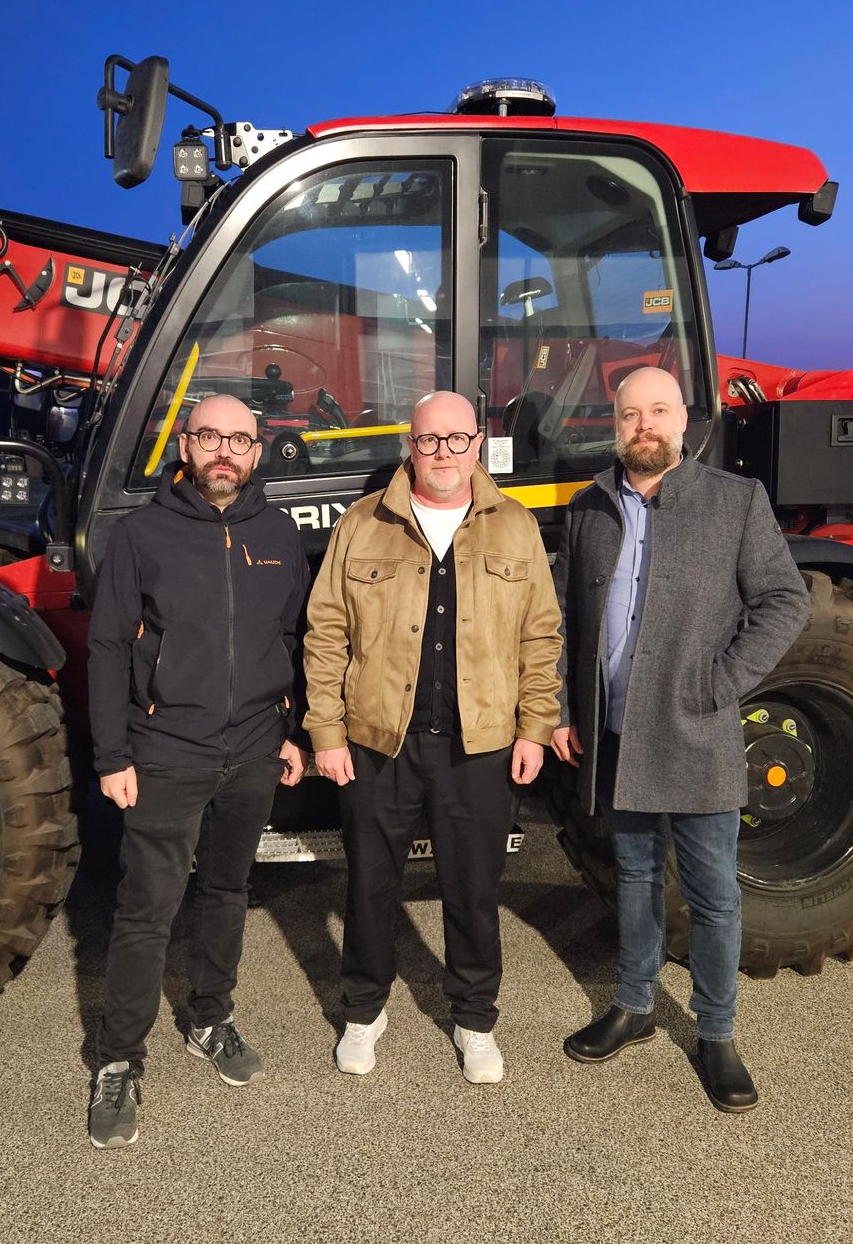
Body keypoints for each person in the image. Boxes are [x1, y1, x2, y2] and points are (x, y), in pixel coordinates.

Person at [551, 366, 809, 1112]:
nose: (644, 426)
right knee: (634, 877)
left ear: (684, 421)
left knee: (714, 894)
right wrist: (570, 709)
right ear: (616, 423)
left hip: (695, 732)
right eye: (631, 414)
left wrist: (720, 685)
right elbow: (569, 621)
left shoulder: (734, 502)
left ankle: (717, 1033)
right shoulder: (590, 507)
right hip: (616, 732)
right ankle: (633, 1005)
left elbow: (784, 601)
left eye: (657, 412)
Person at [304, 391, 562, 1084]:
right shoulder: (363, 524)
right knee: (370, 886)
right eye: (428, 441)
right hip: (376, 741)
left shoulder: (516, 528)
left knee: (473, 890)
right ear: (409, 446)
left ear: (478, 444)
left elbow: (541, 636)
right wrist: (326, 732)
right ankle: (364, 1013)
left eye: (456, 439)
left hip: (479, 746)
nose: (442, 453)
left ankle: (475, 1019)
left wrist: (534, 727)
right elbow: (326, 632)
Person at [85, 393, 308, 1149]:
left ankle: (211, 1018)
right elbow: (109, 647)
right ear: (185, 443)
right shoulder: (141, 534)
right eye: (210, 435)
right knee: (146, 910)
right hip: (166, 751)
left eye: (239, 440)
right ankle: (118, 1059)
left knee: (227, 891)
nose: (224, 451)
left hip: (251, 749)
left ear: (256, 451)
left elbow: (291, 638)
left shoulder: (277, 533)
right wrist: (112, 755)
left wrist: (289, 730)